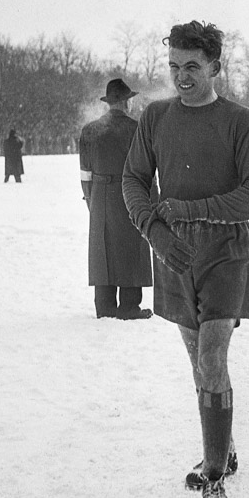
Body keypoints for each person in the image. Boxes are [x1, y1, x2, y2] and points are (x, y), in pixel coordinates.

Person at [122, 20, 249, 498]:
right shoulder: (156, 118)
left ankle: (213, 480)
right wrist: (156, 232)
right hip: (173, 254)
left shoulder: (240, 121)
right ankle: (222, 448)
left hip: (226, 251)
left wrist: (188, 211)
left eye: (192, 67)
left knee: (211, 357)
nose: (182, 77)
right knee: (199, 363)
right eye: (174, 67)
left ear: (215, 67)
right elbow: (134, 180)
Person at [79, 78, 153, 320]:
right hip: (131, 193)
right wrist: (153, 200)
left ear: (109, 103)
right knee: (132, 245)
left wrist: (92, 200)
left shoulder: (90, 131)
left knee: (103, 249)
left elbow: (85, 174)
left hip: (100, 194)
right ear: (126, 103)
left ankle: (105, 305)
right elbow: (147, 170)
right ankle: (130, 306)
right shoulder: (138, 129)